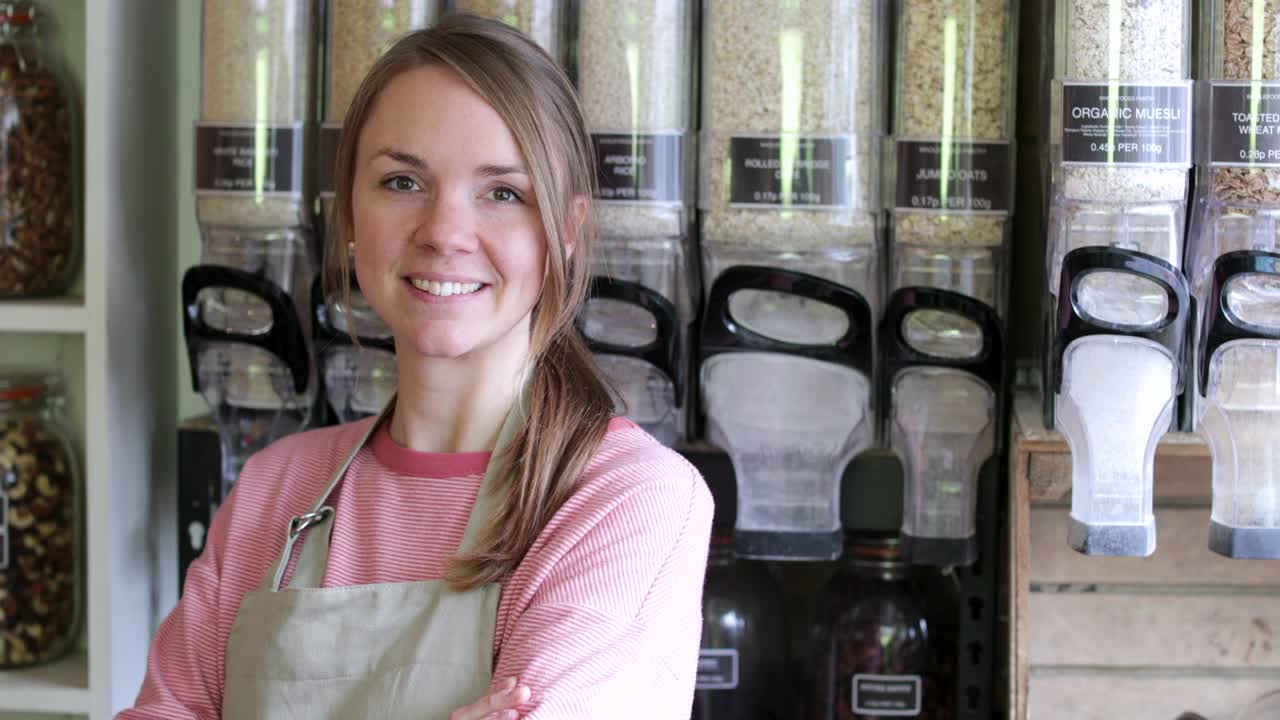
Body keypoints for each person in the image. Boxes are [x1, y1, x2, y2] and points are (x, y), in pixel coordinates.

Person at [119, 14, 713, 719]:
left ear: (567, 233)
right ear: (348, 217)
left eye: (503, 193)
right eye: (402, 182)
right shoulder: (274, 491)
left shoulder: (627, 501)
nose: (443, 233)